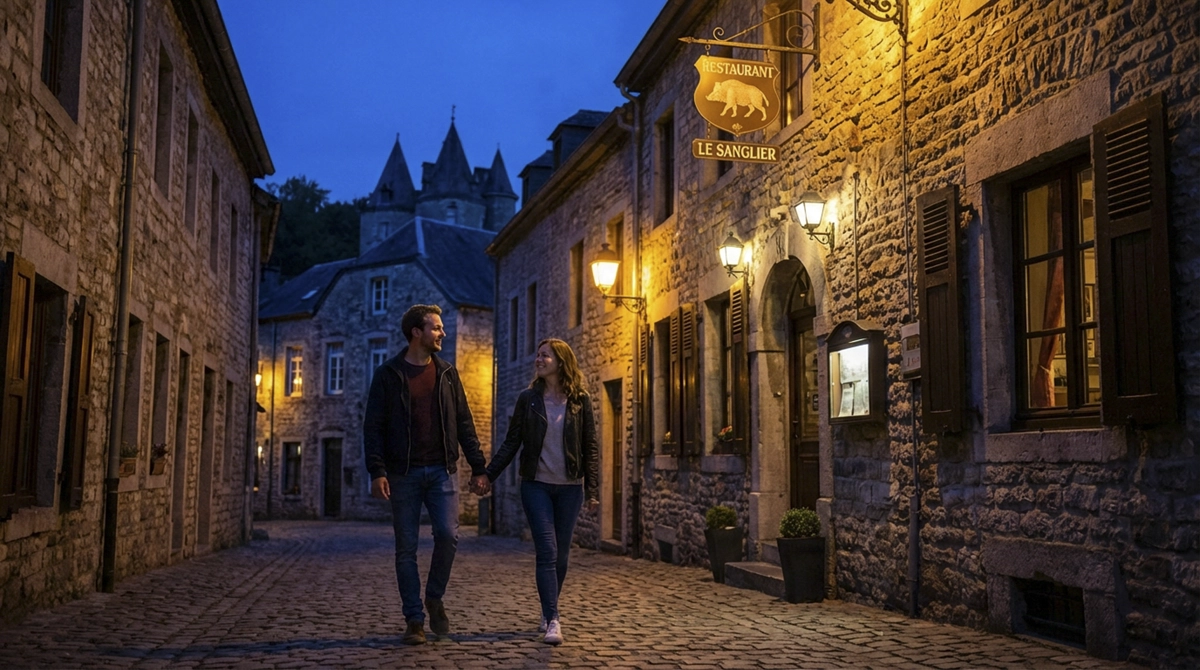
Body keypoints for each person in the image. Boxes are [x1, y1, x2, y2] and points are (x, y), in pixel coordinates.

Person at [363, 304, 489, 645]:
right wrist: (377, 471)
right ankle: (414, 620)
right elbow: (373, 427)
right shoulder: (388, 375)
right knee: (406, 548)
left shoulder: (447, 374)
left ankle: (434, 597)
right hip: (403, 474)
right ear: (416, 332)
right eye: (436, 328)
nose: (442, 333)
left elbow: (464, 423)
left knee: (448, 535)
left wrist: (479, 467)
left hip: (441, 471)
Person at [477, 338, 599, 646]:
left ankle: (548, 608)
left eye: (545, 356)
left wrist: (593, 490)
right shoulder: (527, 399)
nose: (539, 360)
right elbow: (511, 442)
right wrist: (488, 475)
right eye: (538, 355)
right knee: (547, 550)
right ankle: (553, 619)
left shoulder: (580, 400)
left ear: (561, 362)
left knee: (562, 555)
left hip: (570, 488)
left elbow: (590, 447)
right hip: (536, 485)